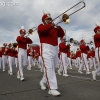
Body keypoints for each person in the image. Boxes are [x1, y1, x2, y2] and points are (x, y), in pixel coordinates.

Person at [37, 13, 65, 96]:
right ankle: (52, 88)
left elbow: (61, 34)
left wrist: (58, 26)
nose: (50, 20)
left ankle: (42, 81)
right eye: (48, 19)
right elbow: (42, 31)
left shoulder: (54, 27)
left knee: (52, 68)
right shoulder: (41, 26)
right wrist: (53, 24)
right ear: (44, 20)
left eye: (50, 19)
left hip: (55, 48)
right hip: (46, 48)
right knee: (49, 68)